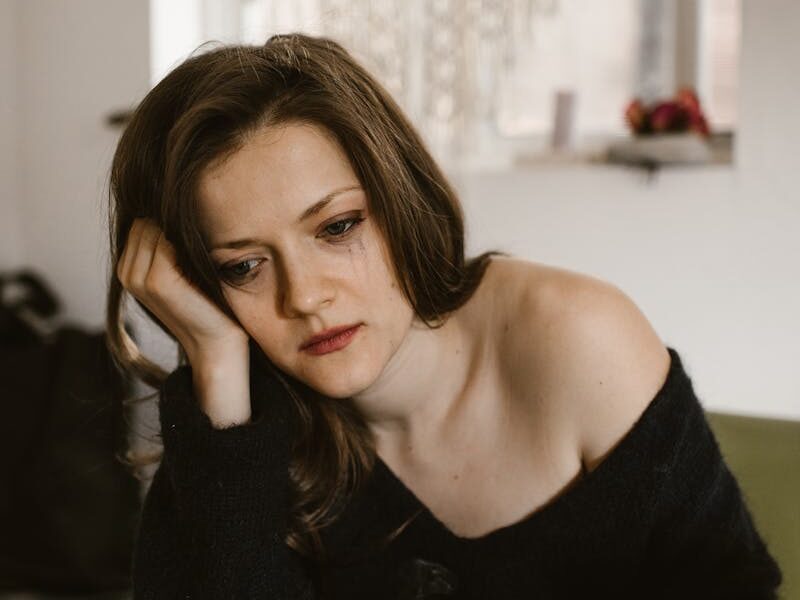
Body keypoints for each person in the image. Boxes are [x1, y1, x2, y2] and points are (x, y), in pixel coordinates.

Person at [106, 33, 783, 599]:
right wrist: (219, 372)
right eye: (242, 266)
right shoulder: (241, 430)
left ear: (401, 198)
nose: (305, 297)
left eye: (338, 227)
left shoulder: (578, 340)